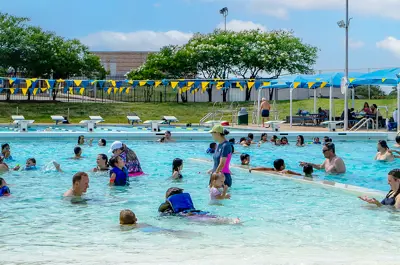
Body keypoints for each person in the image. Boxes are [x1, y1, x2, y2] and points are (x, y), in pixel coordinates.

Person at [158, 187, 240, 224]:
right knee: (210, 217)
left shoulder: (168, 208)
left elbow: (163, 213)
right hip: (196, 212)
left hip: (187, 215)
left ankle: (229, 221)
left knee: (206, 220)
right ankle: (230, 220)